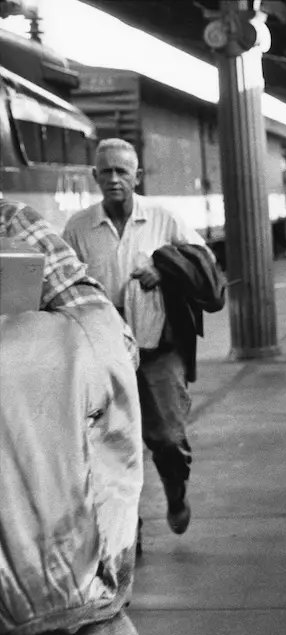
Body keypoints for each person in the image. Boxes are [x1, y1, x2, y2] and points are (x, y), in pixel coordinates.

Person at [0, 199, 147, 635]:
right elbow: (114, 343)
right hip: (42, 483)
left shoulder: (10, 222)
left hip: (40, 480)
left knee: (89, 612)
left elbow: (111, 340)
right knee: (92, 613)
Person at [63, 138, 214, 538]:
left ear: (137, 176)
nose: (114, 179)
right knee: (109, 446)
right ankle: (126, 534)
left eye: (122, 171)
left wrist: (167, 272)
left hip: (158, 349)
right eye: (106, 171)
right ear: (95, 176)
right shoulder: (78, 228)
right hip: (104, 352)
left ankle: (176, 491)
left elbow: (204, 264)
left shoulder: (164, 218)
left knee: (166, 438)